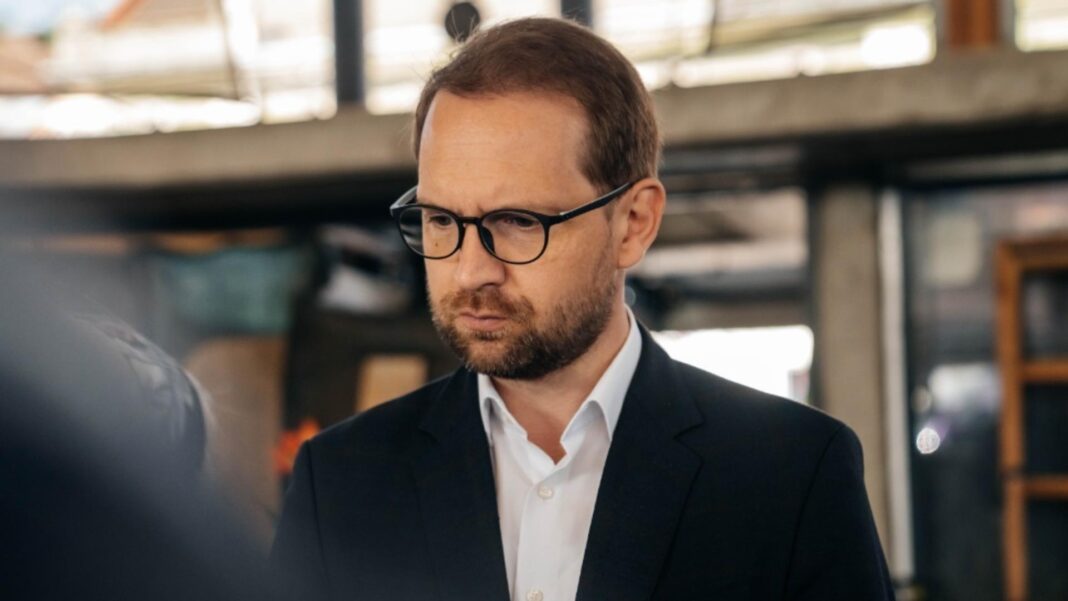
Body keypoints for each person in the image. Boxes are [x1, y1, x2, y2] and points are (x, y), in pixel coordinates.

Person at [271, 17, 894, 601]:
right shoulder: (342, 483)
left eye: (518, 221)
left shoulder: (790, 473)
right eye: (439, 220)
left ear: (634, 223)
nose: (470, 270)